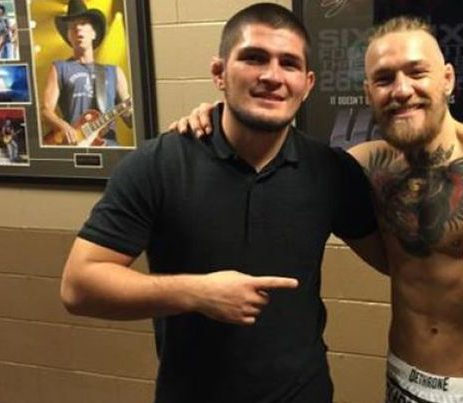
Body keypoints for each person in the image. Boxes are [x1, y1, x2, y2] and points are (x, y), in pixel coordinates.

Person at [174, 16, 463, 403]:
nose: (402, 90)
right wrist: (216, 119)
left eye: (416, 72)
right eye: (385, 78)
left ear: (447, 79)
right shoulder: (361, 166)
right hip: (401, 382)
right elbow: (271, 148)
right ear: (369, 92)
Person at [60, 3, 386, 403]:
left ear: (307, 84)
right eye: (254, 58)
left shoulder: (330, 171)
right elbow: (79, 285)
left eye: (288, 63)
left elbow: (399, 262)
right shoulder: (158, 165)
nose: (272, 76)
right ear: (219, 73)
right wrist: (197, 292)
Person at [41, 0, 131, 147]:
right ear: (69, 36)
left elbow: (131, 121)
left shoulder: (114, 72)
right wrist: (64, 127)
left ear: (94, 33)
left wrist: (129, 111)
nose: (78, 29)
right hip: (74, 147)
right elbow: (46, 111)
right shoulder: (59, 67)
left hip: (107, 147)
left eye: (83, 24)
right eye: (72, 26)